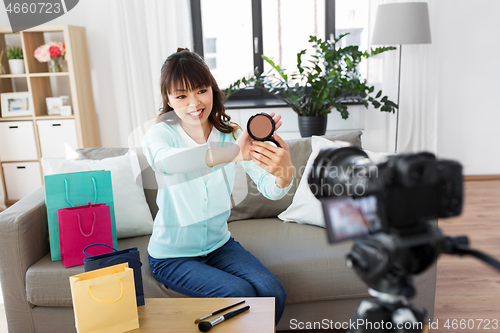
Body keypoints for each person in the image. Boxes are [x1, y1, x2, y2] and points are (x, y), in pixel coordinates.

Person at [142, 48, 294, 325]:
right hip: (172, 256)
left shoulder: (232, 135)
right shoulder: (160, 134)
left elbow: (270, 188)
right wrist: (231, 153)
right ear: (168, 99)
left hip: (219, 245)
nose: (193, 103)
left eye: (201, 90)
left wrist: (284, 171)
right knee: (240, 294)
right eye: (181, 95)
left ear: (212, 89)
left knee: (273, 293)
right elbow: (165, 163)